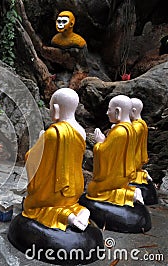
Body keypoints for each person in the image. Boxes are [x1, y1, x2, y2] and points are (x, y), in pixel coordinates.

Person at [23, 88, 90, 231]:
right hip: (75, 189)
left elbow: (32, 158)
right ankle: (79, 211)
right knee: (71, 203)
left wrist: (41, 140)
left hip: (55, 191)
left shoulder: (53, 133)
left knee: (31, 207)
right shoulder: (81, 132)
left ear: (56, 109)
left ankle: (66, 216)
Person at [86, 95, 144, 205]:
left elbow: (104, 153)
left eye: (109, 109)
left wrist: (99, 142)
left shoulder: (119, 132)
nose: (107, 113)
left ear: (118, 111)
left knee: (92, 189)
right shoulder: (130, 128)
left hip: (115, 176)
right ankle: (130, 191)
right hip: (125, 174)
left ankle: (130, 194)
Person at [130, 98, 152, 185]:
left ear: (133, 111)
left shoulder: (137, 125)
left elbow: (129, 136)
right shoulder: (141, 123)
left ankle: (142, 175)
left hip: (135, 157)